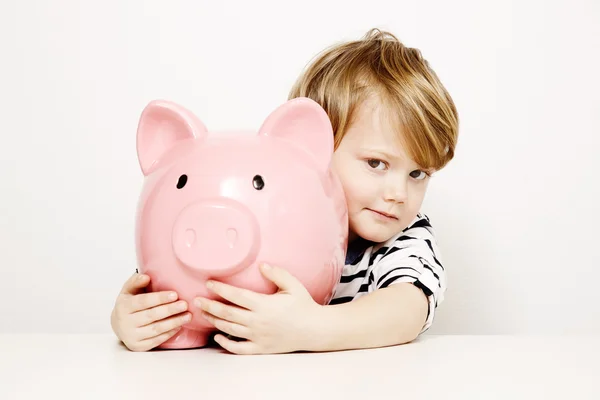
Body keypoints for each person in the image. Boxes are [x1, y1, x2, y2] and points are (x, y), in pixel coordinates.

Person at [111, 28, 459, 353]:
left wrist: (309, 327)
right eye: (376, 164)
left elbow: (406, 311)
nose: (399, 193)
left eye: (417, 173)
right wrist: (131, 320)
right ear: (314, 148)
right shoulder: (272, 217)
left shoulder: (405, 240)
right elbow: (172, 284)